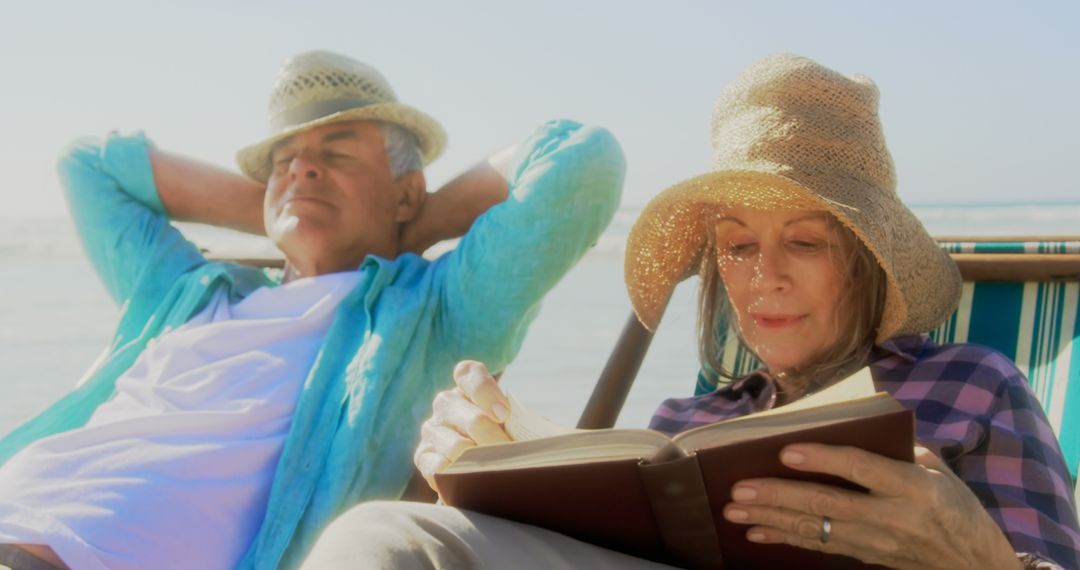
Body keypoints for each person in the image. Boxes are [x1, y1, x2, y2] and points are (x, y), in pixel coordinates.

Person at [303, 54, 1080, 569]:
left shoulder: (973, 387)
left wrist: (984, 560)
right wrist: (494, 471)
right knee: (387, 535)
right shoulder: (686, 422)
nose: (764, 277)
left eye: (804, 242)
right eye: (737, 246)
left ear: (868, 259)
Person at [0, 50, 625, 570]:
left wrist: (413, 223)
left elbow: (580, 158)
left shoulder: (431, 312)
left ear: (406, 192)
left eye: (337, 151)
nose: (302, 167)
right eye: (283, 160)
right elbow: (86, 166)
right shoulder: (185, 292)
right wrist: (288, 206)